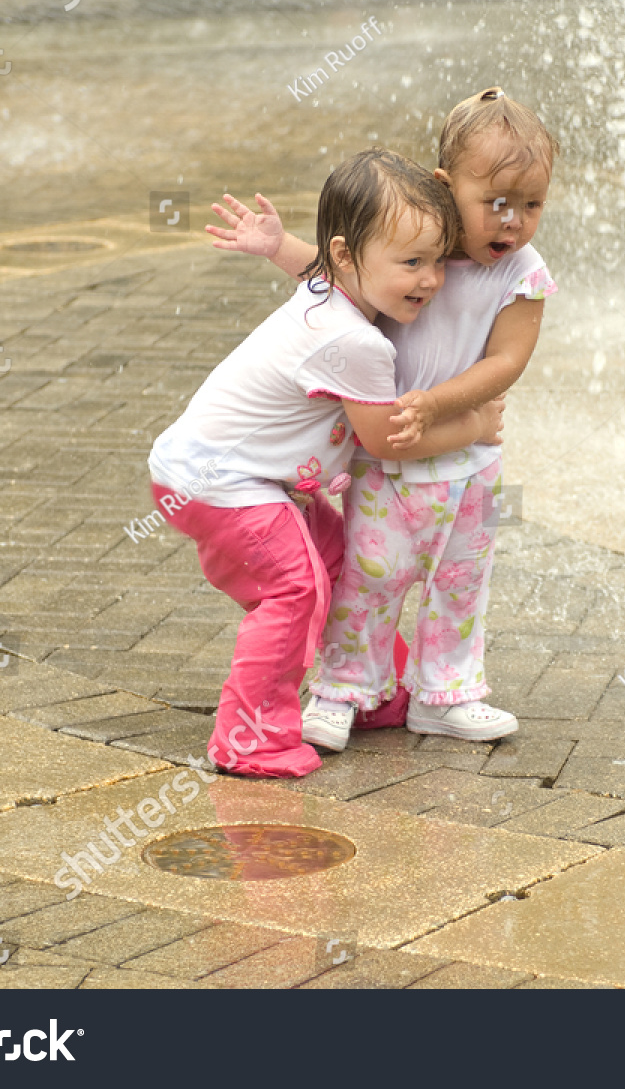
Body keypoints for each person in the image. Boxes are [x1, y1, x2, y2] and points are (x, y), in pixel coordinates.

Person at [208, 87, 558, 753]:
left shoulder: (524, 272)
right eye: (495, 203)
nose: (512, 222)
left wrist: (437, 402)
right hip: (385, 458)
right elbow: (338, 281)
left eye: (532, 204)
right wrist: (279, 244)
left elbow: (509, 360)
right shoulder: (411, 245)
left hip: (469, 461)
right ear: (444, 186)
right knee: (371, 577)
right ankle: (341, 691)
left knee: (461, 582)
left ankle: (449, 694)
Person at [150, 147, 504, 778]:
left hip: (218, 472)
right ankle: (247, 737)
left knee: (343, 562)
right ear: (348, 257)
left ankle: (358, 692)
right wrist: (471, 424)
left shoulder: (332, 293)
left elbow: (314, 264)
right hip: (223, 483)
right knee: (297, 588)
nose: (430, 280)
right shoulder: (357, 341)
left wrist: (277, 243)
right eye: (412, 263)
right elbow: (385, 440)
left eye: (435, 261)